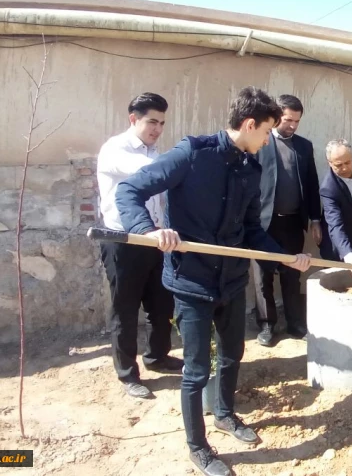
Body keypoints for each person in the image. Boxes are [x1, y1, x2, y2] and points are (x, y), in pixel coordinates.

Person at [116, 86, 312, 476]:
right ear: (250, 124)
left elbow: (252, 229)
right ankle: (198, 447)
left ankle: (224, 413)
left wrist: (285, 256)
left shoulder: (251, 168)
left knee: (233, 354)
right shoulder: (192, 154)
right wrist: (149, 230)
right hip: (192, 282)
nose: (268, 140)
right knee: (196, 370)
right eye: (266, 132)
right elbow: (129, 190)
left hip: (232, 281)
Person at [96, 92, 182, 399]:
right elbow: (151, 171)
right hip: (122, 241)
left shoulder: (155, 151)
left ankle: (157, 356)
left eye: (162, 123)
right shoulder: (116, 149)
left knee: (162, 304)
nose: (157, 129)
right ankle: (127, 374)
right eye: (152, 122)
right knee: (125, 309)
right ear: (133, 119)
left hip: (155, 239)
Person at [252, 95, 322, 347]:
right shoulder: (260, 142)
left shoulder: (304, 147)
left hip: (292, 223)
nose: (292, 125)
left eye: (297, 121)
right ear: (276, 116)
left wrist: (315, 219)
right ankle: (267, 325)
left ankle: (295, 323)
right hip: (263, 224)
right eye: (288, 120)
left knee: (293, 273)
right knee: (262, 276)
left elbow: (312, 184)